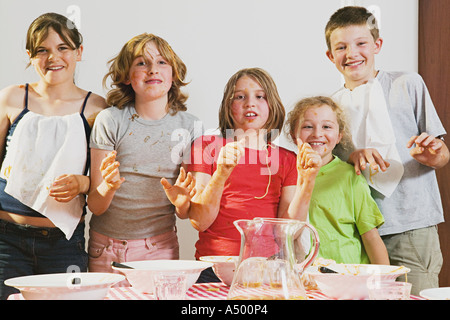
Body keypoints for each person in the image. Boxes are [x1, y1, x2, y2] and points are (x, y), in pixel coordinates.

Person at [324, 6, 449, 294]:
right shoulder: (330, 107)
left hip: (411, 224)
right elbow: (332, 168)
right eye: (341, 47)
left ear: (377, 45)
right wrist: (352, 155)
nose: (352, 53)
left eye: (361, 43)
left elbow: (441, 153)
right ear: (331, 56)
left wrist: (436, 154)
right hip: (358, 232)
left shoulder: (407, 84)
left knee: (418, 293)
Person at [161, 68, 318, 282]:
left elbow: (290, 234)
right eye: (240, 97)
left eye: (260, 96)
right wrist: (222, 172)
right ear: (228, 106)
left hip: (268, 271)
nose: (250, 103)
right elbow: (200, 221)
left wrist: (307, 181)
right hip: (214, 271)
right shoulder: (205, 147)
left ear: (272, 105)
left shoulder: (288, 159)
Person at [0, 12, 107, 299]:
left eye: (63, 48)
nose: (53, 57)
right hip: (6, 239)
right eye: (42, 50)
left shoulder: (96, 108)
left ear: (79, 52)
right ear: (30, 55)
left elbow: (100, 184)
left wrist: (82, 183)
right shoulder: (11, 98)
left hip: (63, 241)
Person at [87, 33, 200, 281]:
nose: (152, 70)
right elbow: (95, 205)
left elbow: (184, 213)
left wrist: (182, 202)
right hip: (107, 249)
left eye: (162, 62)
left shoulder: (190, 127)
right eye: (141, 63)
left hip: (160, 249)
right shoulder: (110, 121)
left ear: (174, 74)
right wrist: (108, 186)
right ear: (127, 75)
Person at [286, 96, 389, 265]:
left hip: (349, 276)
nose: (317, 133)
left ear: (339, 136)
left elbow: (371, 237)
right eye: (307, 126)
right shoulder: (287, 176)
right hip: (304, 277)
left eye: (326, 126)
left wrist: (385, 282)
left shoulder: (350, 176)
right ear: (293, 135)